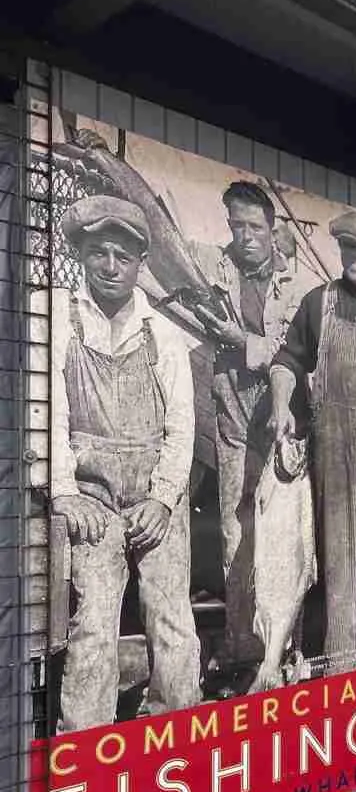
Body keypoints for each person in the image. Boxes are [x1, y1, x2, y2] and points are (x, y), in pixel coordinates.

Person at [51, 195, 201, 731]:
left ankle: (178, 731)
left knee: (172, 619)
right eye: (98, 253)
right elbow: (47, 412)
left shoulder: (164, 334)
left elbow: (181, 428)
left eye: (122, 255)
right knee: (92, 625)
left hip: (155, 495)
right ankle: (84, 744)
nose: (110, 267)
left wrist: (162, 500)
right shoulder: (57, 319)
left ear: (140, 263)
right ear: (81, 254)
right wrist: (64, 489)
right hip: (91, 496)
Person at [269, 210, 356, 675]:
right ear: (340, 252)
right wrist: (281, 407)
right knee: (334, 571)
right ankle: (337, 673)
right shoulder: (319, 303)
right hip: (332, 458)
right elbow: (285, 362)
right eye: (349, 250)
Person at [191, 182, 297, 689]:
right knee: (236, 532)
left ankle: (283, 646)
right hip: (232, 415)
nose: (246, 236)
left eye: (255, 227)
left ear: (272, 229)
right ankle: (239, 647)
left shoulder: (293, 284)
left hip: (280, 423)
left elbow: (289, 351)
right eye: (237, 226)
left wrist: (243, 341)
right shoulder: (215, 269)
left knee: (282, 537)